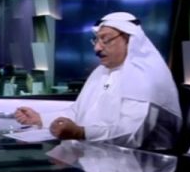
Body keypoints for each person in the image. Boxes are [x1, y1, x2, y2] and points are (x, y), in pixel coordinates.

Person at [15, 12, 181, 150]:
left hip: (138, 167)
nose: (97, 48)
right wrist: (40, 119)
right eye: (96, 40)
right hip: (96, 156)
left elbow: (131, 134)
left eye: (106, 40)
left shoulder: (144, 76)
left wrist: (81, 133)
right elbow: (78, 113)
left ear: (129, 39)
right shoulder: (101, 72)